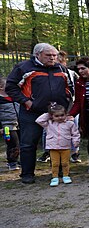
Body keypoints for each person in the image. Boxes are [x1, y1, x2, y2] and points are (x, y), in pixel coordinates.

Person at [5, 43, 74, 184]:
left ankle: (60, 171)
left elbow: (70, 88)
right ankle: (27, 174)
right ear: (37, 55)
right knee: (28, 143)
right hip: (32, 112)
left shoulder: (61, 68)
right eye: (48, 55)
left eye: (54, 55)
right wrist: (27, 102)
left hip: (57, 114)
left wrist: (66, 106)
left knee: (59, 141)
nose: (52, 58)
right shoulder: (24, 68)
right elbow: (11, 87)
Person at [35, 105, 80, 187]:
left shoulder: (70, 124)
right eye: (56, 116)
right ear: (52, 116)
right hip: (53, 147)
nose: (60, 117)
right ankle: (54, 177)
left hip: (66, 147)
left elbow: (75, 133)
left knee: (65, 163)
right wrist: (49, 113)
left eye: (62, 115)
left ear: (66, 114)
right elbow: (39, 120)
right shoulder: (49, 124)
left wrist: (76, 142)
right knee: (55, 163)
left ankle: (66, 175)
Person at [0, 77, 20, 171]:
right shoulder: (1, 99)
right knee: (13, 143)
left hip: (18, 123)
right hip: (7, 126)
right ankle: (12, 162)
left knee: (20, 143)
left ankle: (17, 159)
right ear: (1, 87)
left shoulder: (13, 96)